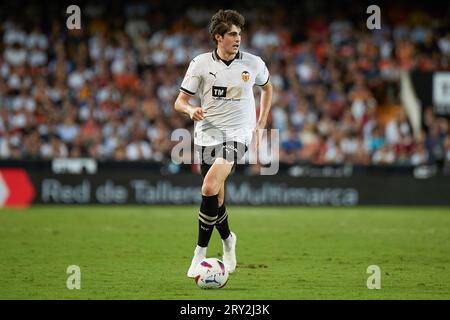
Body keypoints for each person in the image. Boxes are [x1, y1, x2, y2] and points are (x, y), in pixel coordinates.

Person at [174, 9, 273, 277]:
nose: (237, 38)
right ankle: (228, 240)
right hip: (207, 135)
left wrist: (261, 120)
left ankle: (199, 254)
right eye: (231, 34)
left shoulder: (253, 63)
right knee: (215, 195)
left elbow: (267, 87)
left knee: (208, 186)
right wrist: (190, 110)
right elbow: (179, 101)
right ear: (218, 37)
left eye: (239, 34)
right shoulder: (200, 64)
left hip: (238, 134)